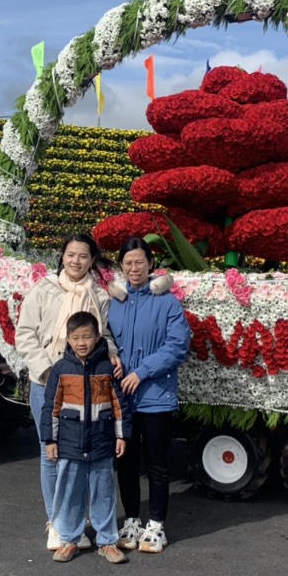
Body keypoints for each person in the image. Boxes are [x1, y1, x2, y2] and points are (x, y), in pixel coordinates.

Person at [14, 232, 121, 550]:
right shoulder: (45, 290)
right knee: (52, 450)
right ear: (62, 256)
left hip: (86, 386)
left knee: (85, 453)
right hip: (48, 381)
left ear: (92, 260)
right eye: (71, 255)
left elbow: (105, 335)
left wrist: (112, 352)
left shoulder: (99, 296)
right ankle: (57, 524)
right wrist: (46, 370)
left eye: (83, 256)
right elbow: (25, 334)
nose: (76, 261)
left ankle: (78, 521)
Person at [107, 236, 191, 555]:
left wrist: (141, 371)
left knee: (156, 463)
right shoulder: (115, 302)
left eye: (139, 262)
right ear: (121, 266)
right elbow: (104, 337)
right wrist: (113, 358)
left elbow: (177, 346)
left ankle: (156, 524)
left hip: (156, 394)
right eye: (128, 263)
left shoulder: (167, 302)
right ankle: (131, 520)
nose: (134, 268)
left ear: (150, 264)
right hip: (123, 398)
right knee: (126, 462)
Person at [38, 312, 131, 564]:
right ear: (67, 339)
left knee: (104, 492)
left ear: (97, 337)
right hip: (69, 444)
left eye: (87, 336)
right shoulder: (60, 370)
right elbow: (51, 408)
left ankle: (107, 541)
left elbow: (118, 404)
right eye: (76, 337)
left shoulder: (106, 368)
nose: (82, 342)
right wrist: (51, 440)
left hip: (101, 442)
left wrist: (121, 435)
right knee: (69, 492)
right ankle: (69, 539)